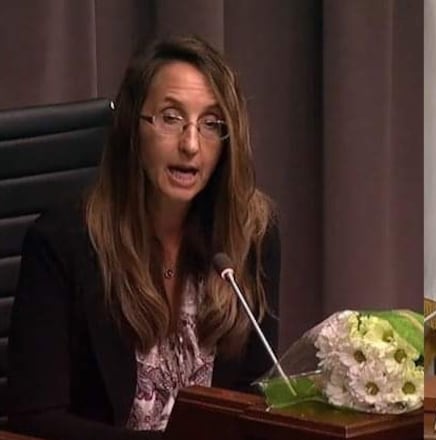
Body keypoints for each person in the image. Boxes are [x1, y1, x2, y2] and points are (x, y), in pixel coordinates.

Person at [8, 36, 279, 439]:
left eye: (210, 124)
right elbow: (35, 417)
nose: (191, 145)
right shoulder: (63, 242)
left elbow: (255, 396)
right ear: (133, 128)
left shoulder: (252, 232)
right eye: (171, 118)